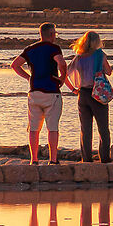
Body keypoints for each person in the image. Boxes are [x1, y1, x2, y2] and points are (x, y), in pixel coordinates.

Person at [10, 22, 66, 164]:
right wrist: (62, 78)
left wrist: (29, 78)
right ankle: (53, 160)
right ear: (52, 34)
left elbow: (15, 65)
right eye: (55, 34)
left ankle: (33, 159)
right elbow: (61, 63)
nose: (55, 36)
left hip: (34, 92)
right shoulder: (54, 48)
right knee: (52, 127)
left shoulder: (30, 49)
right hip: (51, 91)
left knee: (34, 128)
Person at [65, 29, 111, 163]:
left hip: (82, 94)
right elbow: (108, 71)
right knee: (103, 128)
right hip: (97, 94)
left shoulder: (79, 57)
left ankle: (86, 158)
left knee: (85, 129)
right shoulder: (99, 54)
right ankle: (105, 158)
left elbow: (65, 75)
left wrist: (73, 89)